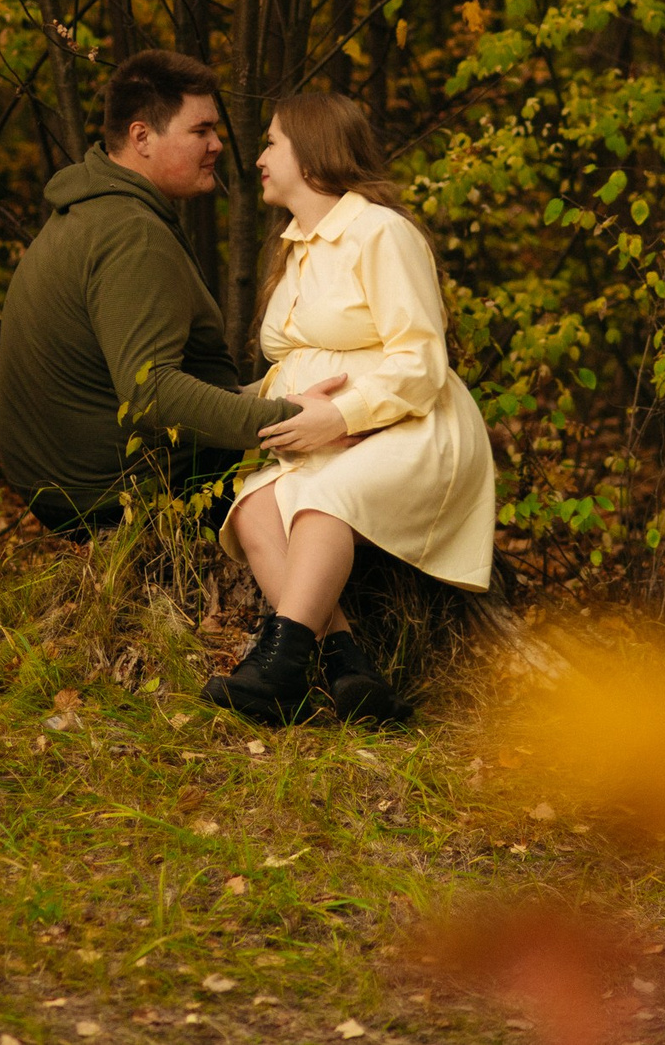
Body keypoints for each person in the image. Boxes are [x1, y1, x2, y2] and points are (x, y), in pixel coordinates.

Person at [201, 91, 496, 725]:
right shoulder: (295, 247)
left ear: (311, 154)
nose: (258, 157)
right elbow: (297, 360)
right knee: (253, 510)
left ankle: (277, 669)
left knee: (322, 501)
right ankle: (347, 668)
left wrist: (340, 418)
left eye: (271, 142)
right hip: (326, 433)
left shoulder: (380, 233)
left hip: (409, 425)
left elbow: (422, 360)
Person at [0, 50, 350, 534]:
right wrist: (286, 421)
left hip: (82, 484)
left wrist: (274, 400)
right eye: (200, 131)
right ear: (142, 136)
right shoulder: (129, 233)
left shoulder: (99, 210)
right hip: (116, 495)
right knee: (354, 465)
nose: (218, 144)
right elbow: (151, 393)